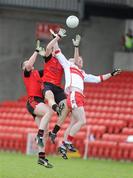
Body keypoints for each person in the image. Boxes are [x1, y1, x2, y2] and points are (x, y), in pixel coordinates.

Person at [47, 30, 121, 159]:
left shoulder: (82, 74)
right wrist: (57, 38)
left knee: (74, 122)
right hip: (74, 94)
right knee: (82, 121)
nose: (80, 60)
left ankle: (63, 146)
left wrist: (112, 74)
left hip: (78, 96)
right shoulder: (68, 65)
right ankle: (67, 142)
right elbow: (57, 49)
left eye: (80, 59)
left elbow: (98, 79)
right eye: (78, 59)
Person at [21, 43, 53, 168]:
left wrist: (48, 56)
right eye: (27, 63)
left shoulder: (37, 74)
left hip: (39, 102)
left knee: (45, 132)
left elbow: (49, 69)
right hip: (33, 101)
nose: (29, 64)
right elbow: (29, 65)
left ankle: (41, 158)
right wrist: (36, 51)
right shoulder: (27, 73)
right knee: (49, 112)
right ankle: (38, 135)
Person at [38, 29, 69, 143]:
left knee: (66, 108)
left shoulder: (62, 63)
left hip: (58, 87)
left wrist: (56, 37)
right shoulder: (48, 58)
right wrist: (57, 37)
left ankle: (54, 132)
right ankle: (56, 108)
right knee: (49, 97)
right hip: (47, 85)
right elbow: (48, 47)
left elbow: (57, 48)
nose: (52, 50)